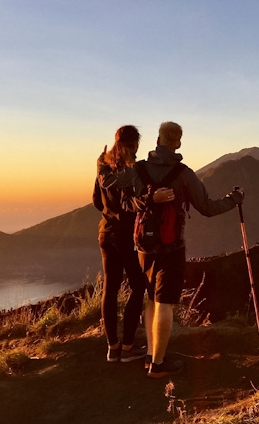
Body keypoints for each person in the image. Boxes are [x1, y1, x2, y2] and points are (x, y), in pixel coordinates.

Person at [124, 121, 245, 378]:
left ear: (157, 139)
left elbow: (125, 203)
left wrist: (146, 199)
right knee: (164, 302)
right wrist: (235, 199)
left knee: (150, 299)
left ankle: (149, 355)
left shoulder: (138, 169)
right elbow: (208, 208)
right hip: (171, 247)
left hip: (142, 246)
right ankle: (158, 364)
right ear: (178, 142)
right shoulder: (183, 174)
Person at [93, 125, 174, 363]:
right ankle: (128, 347)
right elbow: (135, 202)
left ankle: (112, 347)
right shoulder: (133, 170)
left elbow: (96, 200)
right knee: (138, 287)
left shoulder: (104, 166)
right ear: (135, 144)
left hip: (105, 233)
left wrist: (110, 214)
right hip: (125, 236)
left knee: (110, 287)